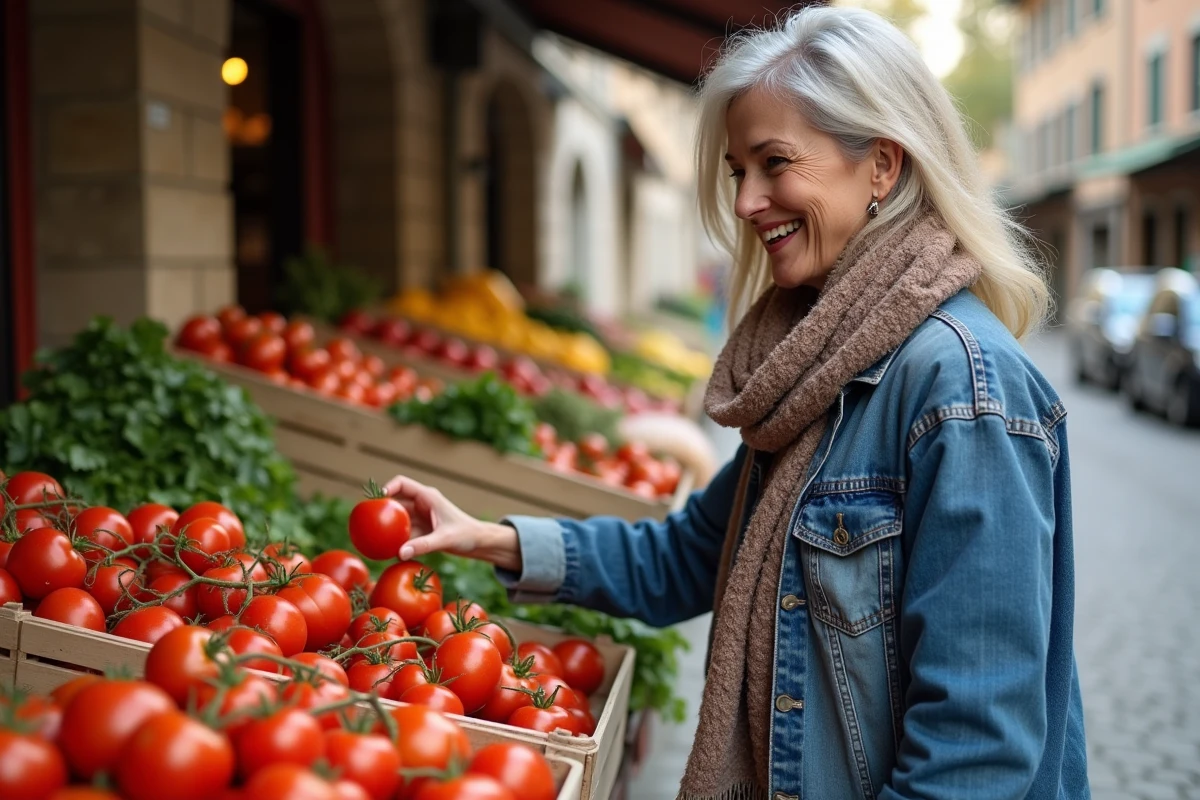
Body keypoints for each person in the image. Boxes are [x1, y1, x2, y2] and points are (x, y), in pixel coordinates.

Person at [384, 6, 1090, 799]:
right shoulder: (813, 366)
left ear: (883, 165)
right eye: (736, 172)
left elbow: (975, 750)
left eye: (774, 162)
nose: (749, 201)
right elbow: (690, 554)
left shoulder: (962, 392)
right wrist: (493, 538)